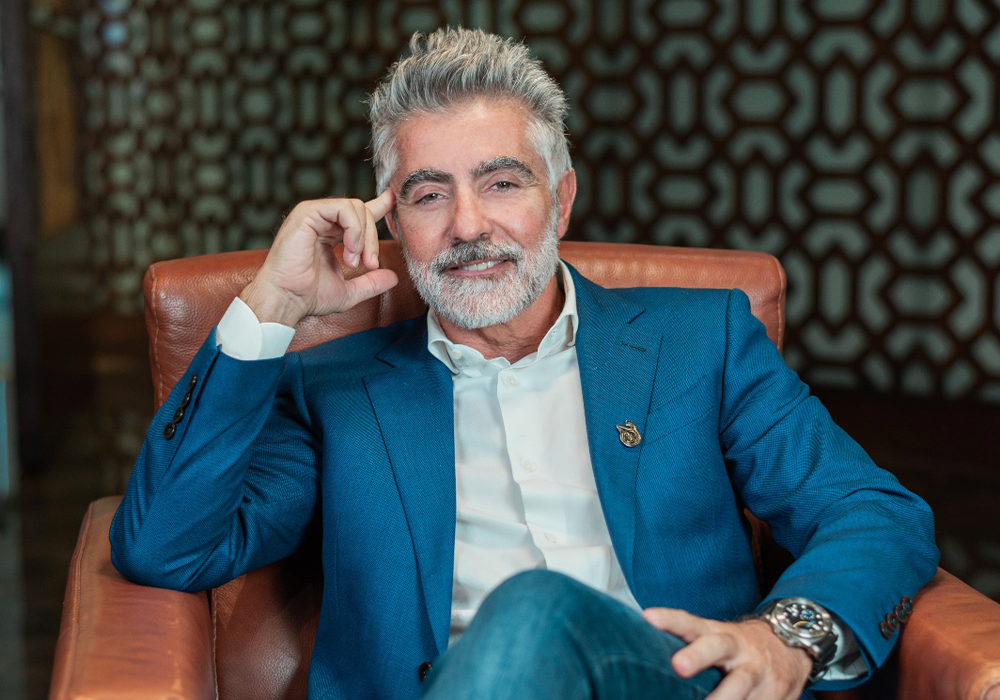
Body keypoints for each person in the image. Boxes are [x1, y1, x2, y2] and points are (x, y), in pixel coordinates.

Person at [110, 27, 938, 700]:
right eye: (428, 195)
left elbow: (872, 511)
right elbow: (165, 549)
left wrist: (785, 637)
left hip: (668, 683)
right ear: (393, 226)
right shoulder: (333, 390)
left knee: (535, 608)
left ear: (562, 200)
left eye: (502, 183)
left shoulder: (700, 341)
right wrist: (271, 306)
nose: (469, 225)